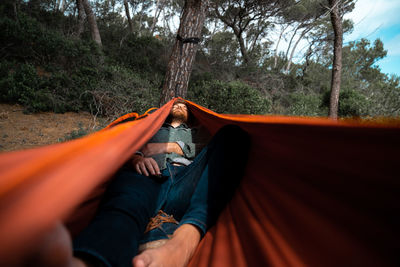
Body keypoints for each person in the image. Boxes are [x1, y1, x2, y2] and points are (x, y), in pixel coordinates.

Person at [30, 99, 250, 267]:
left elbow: (210, 151)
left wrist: (168, 147)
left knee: (234, 136)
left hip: (185, 182)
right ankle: (91, 259)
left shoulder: (197, 132)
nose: (180, 104)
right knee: (128, 199)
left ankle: (186, 238)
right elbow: (126, 143)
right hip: (148, 176)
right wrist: (137, 158)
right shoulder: (151, 126)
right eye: (176, 103)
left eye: (185, 105)